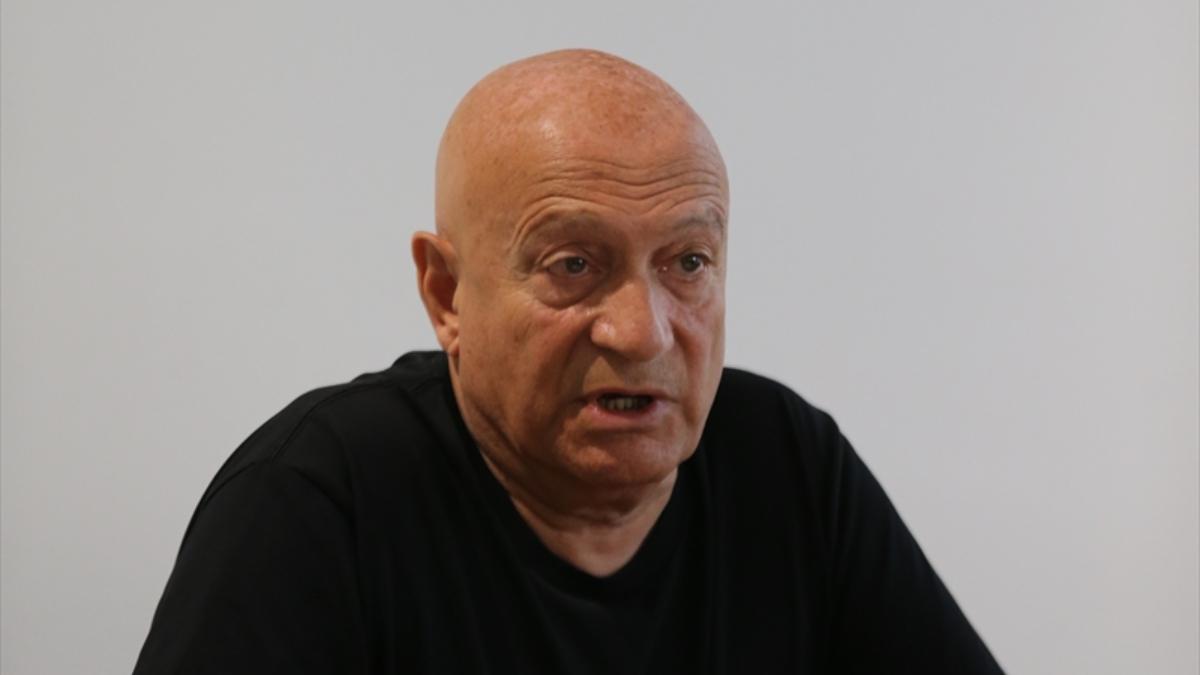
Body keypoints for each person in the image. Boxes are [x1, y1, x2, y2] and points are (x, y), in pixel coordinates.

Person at [133, 49, 1004, 674]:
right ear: (447, 294)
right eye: (575, 264)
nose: (643, 333)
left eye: (687, 262)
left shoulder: (785, 465)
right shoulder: (316, 503)